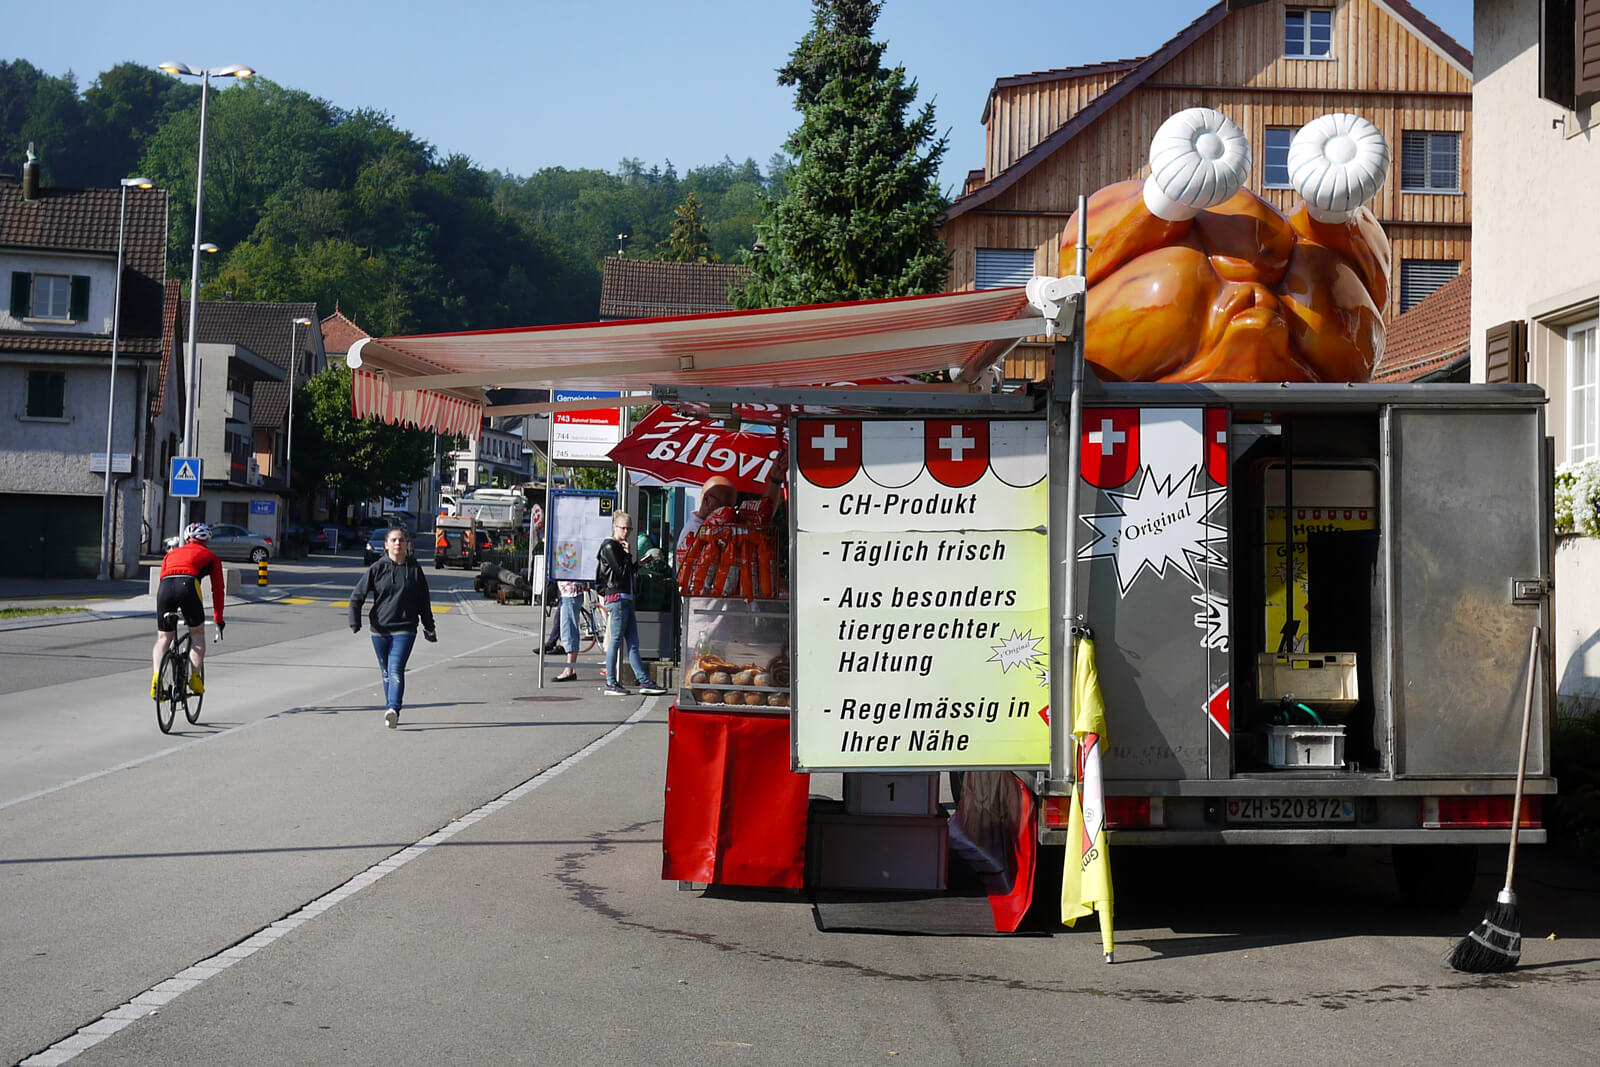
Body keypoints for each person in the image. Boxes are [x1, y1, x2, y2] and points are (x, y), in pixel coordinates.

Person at [349, 527, 437, 728]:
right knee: (386, 672)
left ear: (406, 545)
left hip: (405, 628)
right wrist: (355, 621)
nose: (398, 544)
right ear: (387, 545)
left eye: (401, 540)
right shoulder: (377, 568)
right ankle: (391, 708)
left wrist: (429, 627)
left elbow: (424, 601)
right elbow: (357, 596)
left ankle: (393, 708)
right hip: (379, 630)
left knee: (395, 668)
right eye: (394, 540)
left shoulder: (414, 570)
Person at [595, 511, 669, 697]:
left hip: (625, 597)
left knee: (634, 643)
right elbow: (620, 572)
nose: (626, 531)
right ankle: (611, 682)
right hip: (617, 597)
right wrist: (628, 555)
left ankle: (644, 681)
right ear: (615, 527)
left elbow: (626, 571)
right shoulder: (610, 546)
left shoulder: (618, 547)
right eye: (623, 528)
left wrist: (638, 564)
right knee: (617, 641)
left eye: (629, 528)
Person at [152, 522, 225, 699]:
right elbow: (218, 589)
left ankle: (156, 680)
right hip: (188, 586)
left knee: (164, 637)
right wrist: (218, 618)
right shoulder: (211, 556)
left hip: (165, 589)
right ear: (207, 539)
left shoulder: (170, 554)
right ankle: (194, 679)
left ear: (186, 538)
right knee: (197, 635)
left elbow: (163, 579)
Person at [675, 475, 737, 569]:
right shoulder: (695, 532)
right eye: (724, 506)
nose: (729, 512)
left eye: (732, 508)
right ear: (706, 500)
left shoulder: (708, 528)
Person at [552, 579, 582, 682]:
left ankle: (569, 669)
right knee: (568, 629)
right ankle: (571, 668)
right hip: (570, 591)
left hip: (570, 592)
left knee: (569, 630)